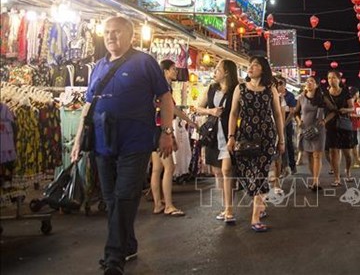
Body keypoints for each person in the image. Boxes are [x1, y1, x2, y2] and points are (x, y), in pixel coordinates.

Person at [71, 16, 175, 275]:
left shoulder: (144, 62)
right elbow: (88, 104)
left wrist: (167, 131)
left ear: (130, 36)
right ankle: (128, 244)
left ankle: (114, 257)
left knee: (124, 196)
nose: (110, 36)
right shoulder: (97, 66)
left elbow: (165, 97)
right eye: (106, 32)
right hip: (102, 143)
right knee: (111, 199)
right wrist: (77, 140)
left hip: (135, 142)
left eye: (116, 32)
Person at [227, 56, 285, 232]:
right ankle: (260, 203)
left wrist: (281, 139)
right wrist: (231, 136)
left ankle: (255, 217)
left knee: (260, 172)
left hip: (266, 136)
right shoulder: (241, 88)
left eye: (255, 65)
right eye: (249, 65)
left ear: (263, 69)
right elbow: (233, 113)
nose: (251, 67)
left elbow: (277, 115)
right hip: (244, 135)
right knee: (245, 171)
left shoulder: (270, 89)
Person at [150, 60, 197, 218]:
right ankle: (168, 205)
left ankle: (158, 204)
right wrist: (187, 122)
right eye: (173, 69)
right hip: (160, 130)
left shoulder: (155, 86)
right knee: (169, 167)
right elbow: (172, 109)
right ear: (165, 71)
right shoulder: (163, 87)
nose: (176, 72)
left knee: (157, 169)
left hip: (153, 130)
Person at [194, 59, 238, 223]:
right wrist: (210, 110)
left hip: (229, 135)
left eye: (218, 68)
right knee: (217, 172)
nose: (215, 71)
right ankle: (225, 205)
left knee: (227, 170)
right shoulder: (211, 88)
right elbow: (197, 108)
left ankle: (229, 209)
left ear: (226, 72)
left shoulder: (235, 90)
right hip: (212, 136)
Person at [293, 76, 326, 190]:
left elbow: (331, 111)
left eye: (312, 81)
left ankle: (316, 181)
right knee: (309, 155)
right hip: (305, 130)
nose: (309, 83)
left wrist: (324, 121)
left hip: (318, 130)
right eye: (307, 81)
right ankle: (314, 178)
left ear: (316, 85)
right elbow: (296, 112)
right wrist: (298, 121)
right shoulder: (301, 98)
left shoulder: (321, 98)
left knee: (317, 155)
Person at [324, 70, 355, 186]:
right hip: (331, 125)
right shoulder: (326, 95)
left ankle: (348, 170)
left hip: (344, 124)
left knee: (347, 152)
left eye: (333, 78)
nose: (331, 80)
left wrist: (345, 110)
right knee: (333, 152)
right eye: (329, 78)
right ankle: (337, 178)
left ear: (339, 79)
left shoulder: (345, 92)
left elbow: (352, 108)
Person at [276, 78, 298, 175]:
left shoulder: (290, 96)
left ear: (285, 85)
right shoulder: (275, 94)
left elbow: (292, 111)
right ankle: (281, 168)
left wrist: (284, 124)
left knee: (288, 144)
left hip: (287, 122)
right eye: (278, 85)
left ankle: (292, 166)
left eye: (281, 85)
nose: (279, 87)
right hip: (277, 122)